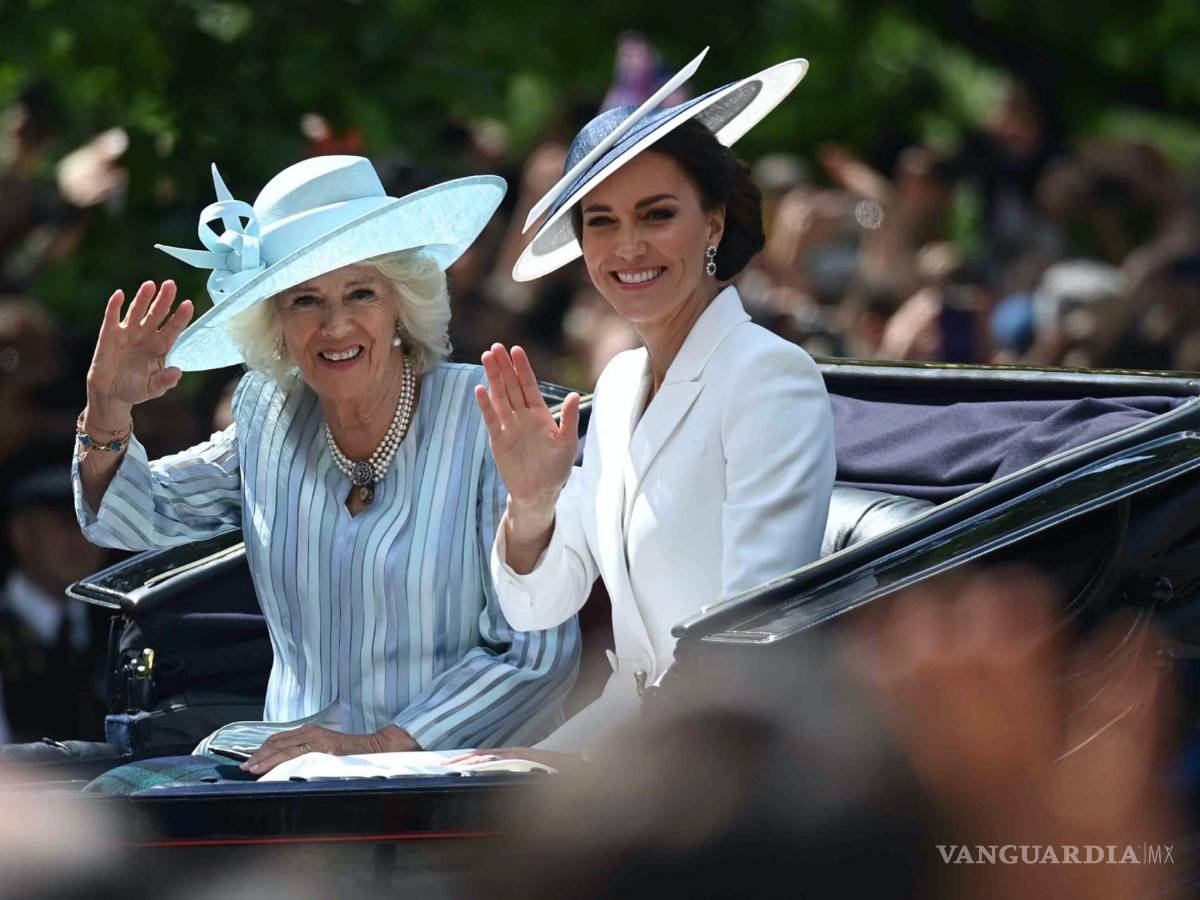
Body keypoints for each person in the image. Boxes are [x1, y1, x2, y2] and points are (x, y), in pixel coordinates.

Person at [72, 155, 579, 779]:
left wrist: (380, 746)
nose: (335, 325)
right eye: (304, 300)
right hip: (289, 778)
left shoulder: (487, 419)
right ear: (276, 324)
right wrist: (108, 409)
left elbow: (535, 655)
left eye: (361, 292)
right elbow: (137, 516)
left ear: (400, 304)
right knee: (123, 795)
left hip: (459, 786)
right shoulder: (268, 415)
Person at [467, 51, 836, 764]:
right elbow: (538, 607)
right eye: (601, 222)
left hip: (729, 756)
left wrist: (598, 773)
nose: (628, 247)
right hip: (630, 733)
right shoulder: (617, 384)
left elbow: (748, 639)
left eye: (657, 214)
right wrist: (533, 502)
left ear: (713, 223)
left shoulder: (768, 376)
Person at [0, 458, 109, 742]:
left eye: (91, 520)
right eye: (64, 521)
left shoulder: (117, 626)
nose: (80, 537)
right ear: (22, 533)